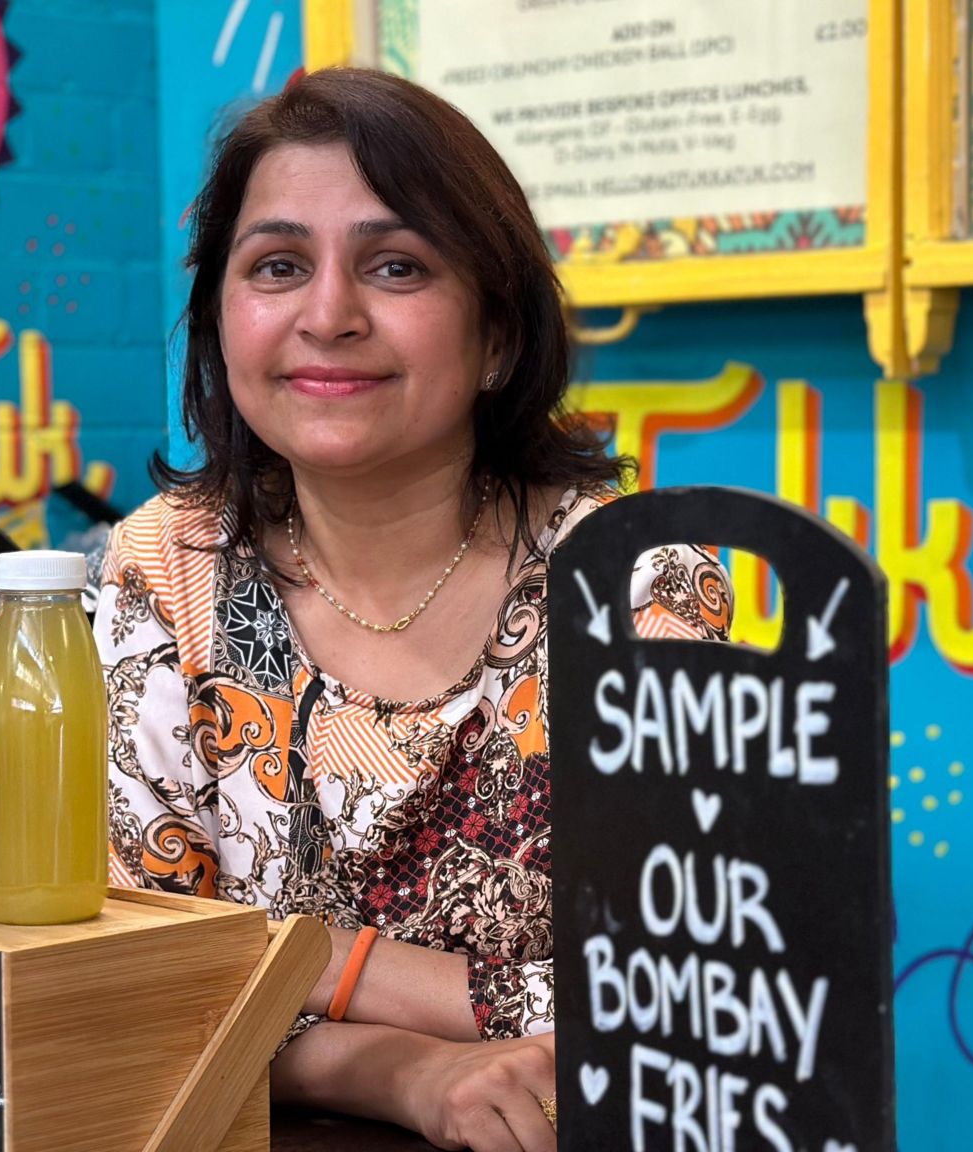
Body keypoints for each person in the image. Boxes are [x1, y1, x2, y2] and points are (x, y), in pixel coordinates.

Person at [92, 67, 731, 1152]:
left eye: (395, 266)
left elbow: (679, 999)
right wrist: (404, 1071)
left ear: (497, 337)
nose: (328, 315)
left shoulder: (633, 581)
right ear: (217, 321)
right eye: (278, 266)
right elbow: (134, 991)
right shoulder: (167, 563)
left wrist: (314, 965)